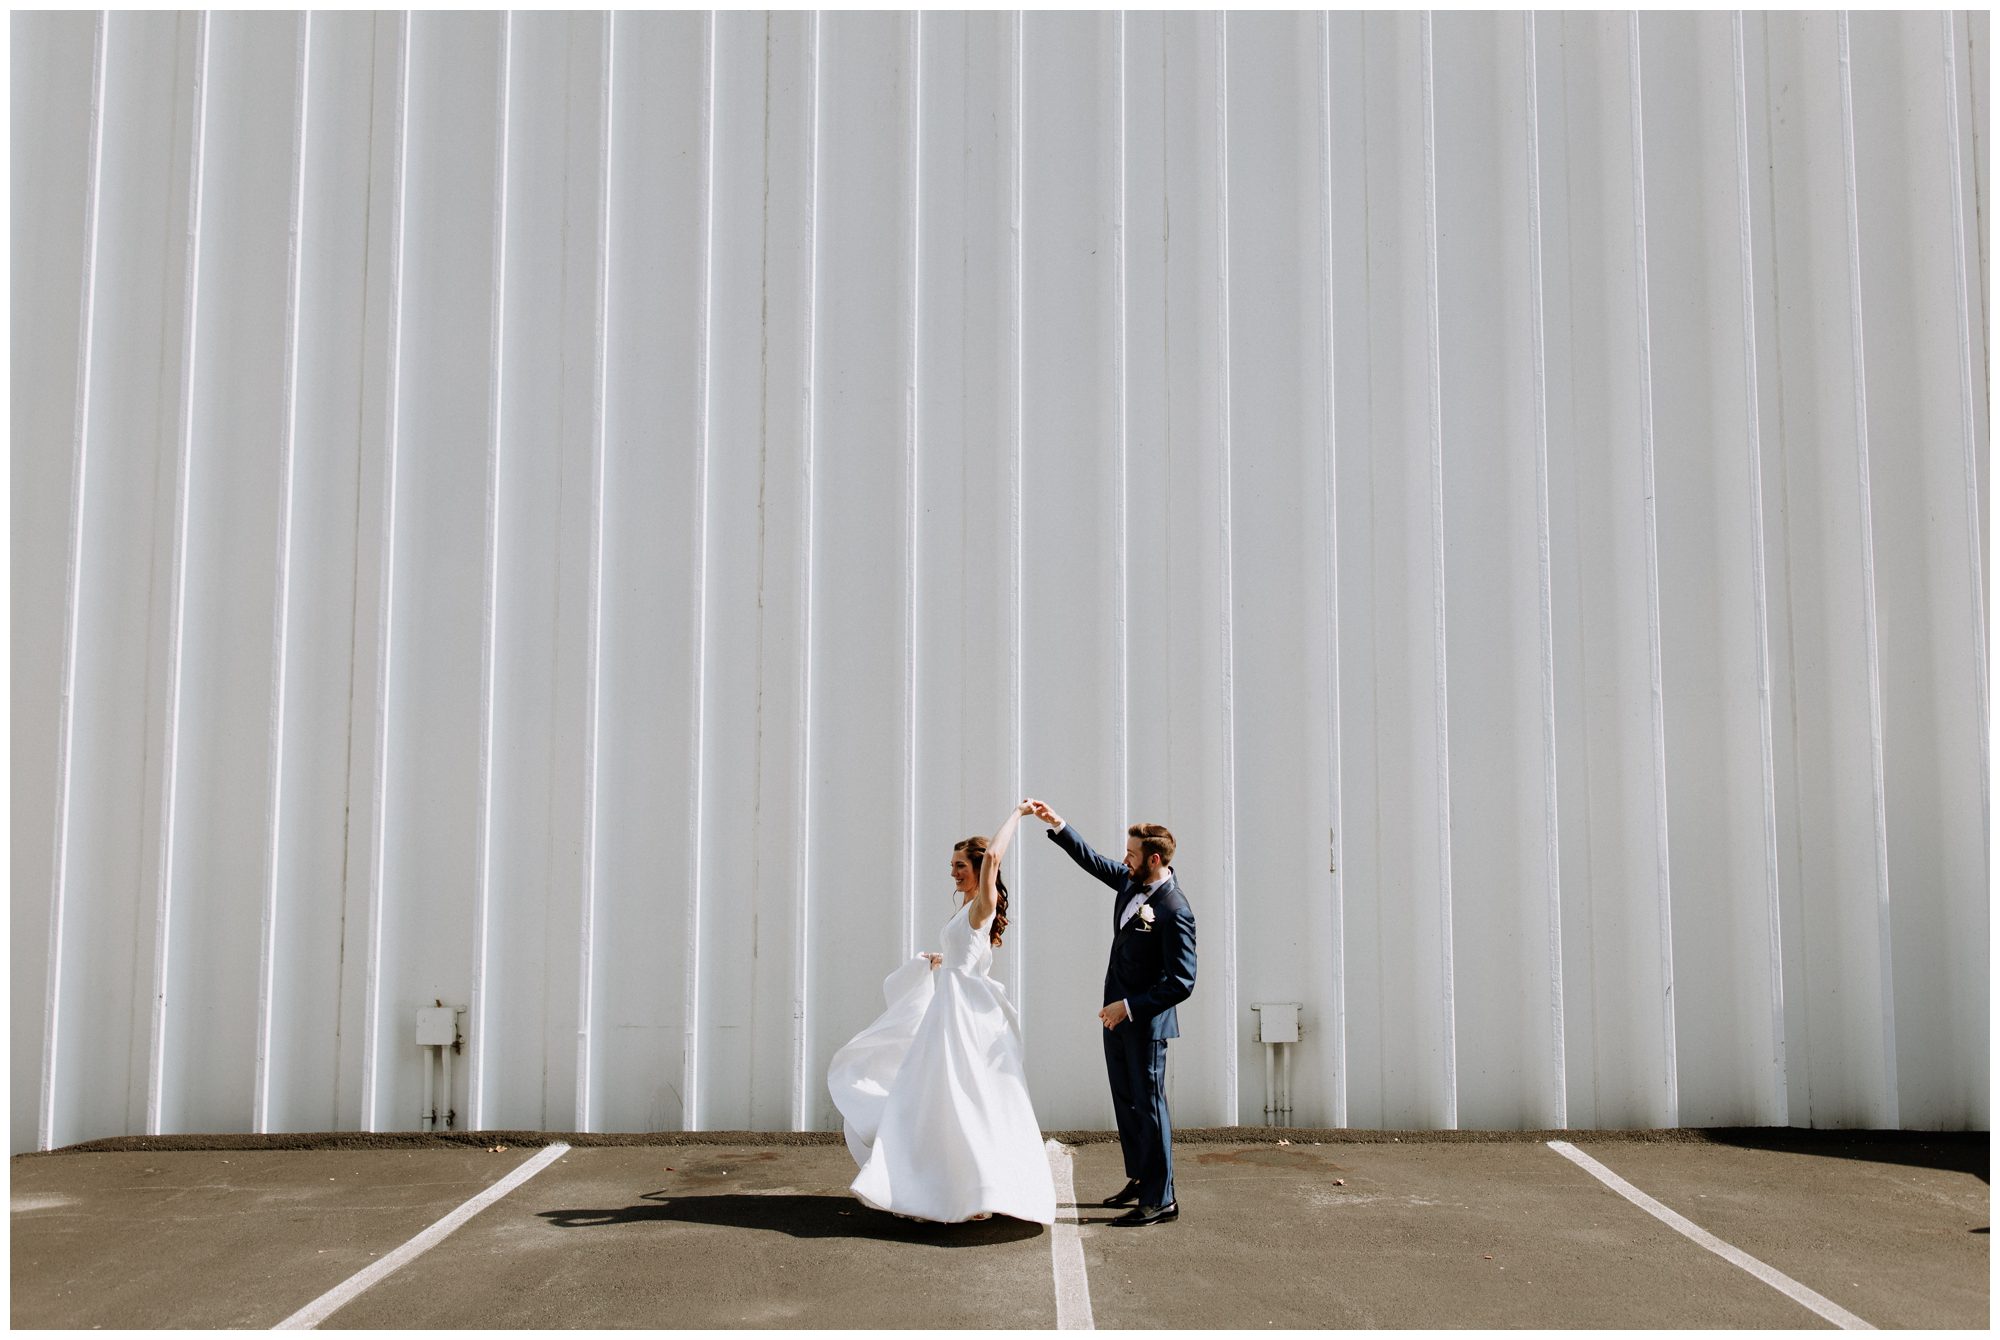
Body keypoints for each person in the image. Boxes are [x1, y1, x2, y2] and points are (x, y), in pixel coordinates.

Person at [826, 800, 1057, 1225]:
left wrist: (1018, 814)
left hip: (964, 1015)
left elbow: (994, 856)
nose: (953, 872)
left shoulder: (983, 902)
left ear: (979, 868)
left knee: (964, 1097)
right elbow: (966, 954)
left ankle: (973, 1190)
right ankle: (940, 1185)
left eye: (960, 865)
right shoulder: (966, 908)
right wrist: (939, 960)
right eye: (951, 865)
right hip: (948, 1007)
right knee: (937, 1099)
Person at [1026, 799, 1195, 1227]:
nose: (1124, 859)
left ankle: (1161, 1200)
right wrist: (1058, 824)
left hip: (1144, 1024)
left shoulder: (1175, 911)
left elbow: (1182, 982)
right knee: (1127, 1103)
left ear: (1153, 859)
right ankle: (1140, 1178)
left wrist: (1130, 1008)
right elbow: (1093, 861)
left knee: (1150, 1108)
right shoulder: (1129, 882)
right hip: (1114, 1017)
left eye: (1132, 853)